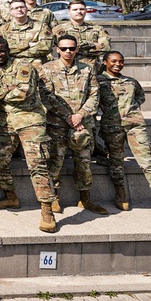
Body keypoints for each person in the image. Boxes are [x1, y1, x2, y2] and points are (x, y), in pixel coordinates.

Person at [0, 37, 58, 232]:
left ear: (8, 50)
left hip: (29, 120)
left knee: (37, 164)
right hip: (4, 122)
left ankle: (47, 210)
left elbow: (22, 93)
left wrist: (0, 92)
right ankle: (11, 197)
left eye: (1, 50)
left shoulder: (23, 66)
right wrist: (7, 89)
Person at [97, 51, 151, 221]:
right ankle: (120, 192)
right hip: (112, 126)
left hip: (135, 126)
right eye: (114, 61)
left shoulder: (131, 81)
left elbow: (141, 96)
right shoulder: (98, 81)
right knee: (116, 160)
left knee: (147, 161)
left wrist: (131, 109)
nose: (118, 64)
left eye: (121, 61)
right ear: (105, 62)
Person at [39, 35, 108, 215]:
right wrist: (68, 116)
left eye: (71, 48)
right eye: (64, 49)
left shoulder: (87, 69)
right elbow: (46, 96)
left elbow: (94, 94)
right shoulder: (47, 69)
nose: (68, 51)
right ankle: (54, 198)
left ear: (77, 49)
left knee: (84, 163)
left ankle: (85, 198)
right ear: (57, 50)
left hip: (82, 124)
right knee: (55, 161)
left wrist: (80, 115)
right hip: (57, 123)